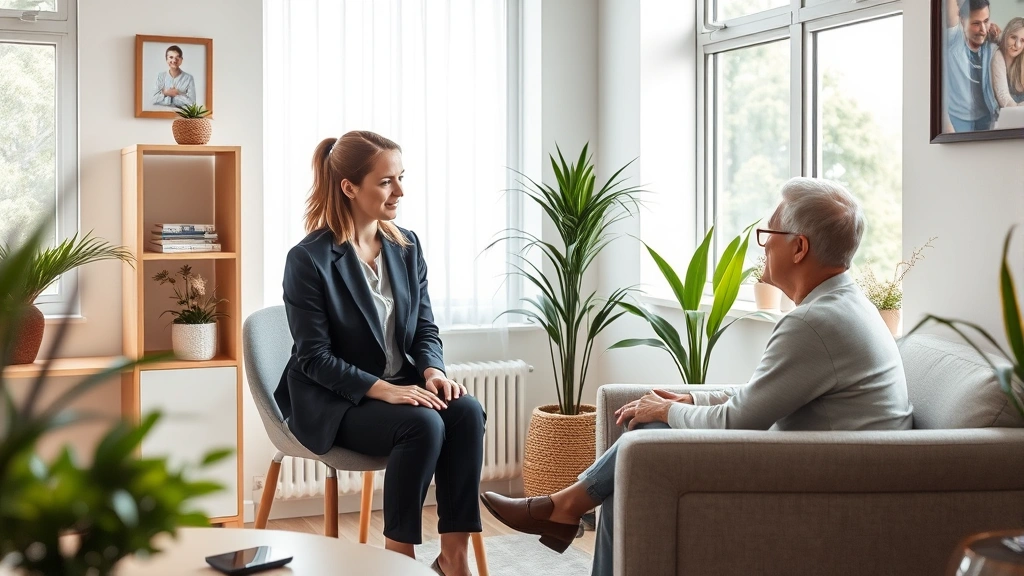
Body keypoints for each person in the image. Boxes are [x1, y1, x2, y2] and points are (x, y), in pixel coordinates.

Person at [480, 177, 914, 576]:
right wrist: (689, 403)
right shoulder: (843, 306)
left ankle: (563, 506)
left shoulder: (816, 323)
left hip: (823, 482)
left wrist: (669, 410)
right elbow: (765, 394)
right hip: (826, 463)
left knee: (646, 435)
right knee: (644, 434)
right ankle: (565, 507)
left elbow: (738, 421)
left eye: (768, 236)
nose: (761, 246)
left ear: (799, 248)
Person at [275, 130, 485, 576]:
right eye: (387, 182)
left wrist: (431, 371)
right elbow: (313, 357)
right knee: (422, 424)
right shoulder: (308, 259)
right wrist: (381, 391)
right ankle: (397, 561)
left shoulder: (405, 247)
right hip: (335, 399)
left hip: (400, 385)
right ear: (350, 187)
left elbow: (425, 327)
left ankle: (454, 558)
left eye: (401, 178)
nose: (400, 192)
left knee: (466, 410)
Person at [945, 0, 1002, 131]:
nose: (983, 30)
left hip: (987, 116)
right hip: (959, 119)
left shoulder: (990, 44)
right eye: (976, 23)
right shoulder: (954, 40)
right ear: (962, 21)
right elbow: (951, 12)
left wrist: (998, 37)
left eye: (986, 21)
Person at [992, 17, 1024, 108]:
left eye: (1023, 40)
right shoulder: (998, 55)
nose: (1017, 45)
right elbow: (1003, 97)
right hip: (1007, 116)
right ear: (1006, 35)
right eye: (1013, 37)